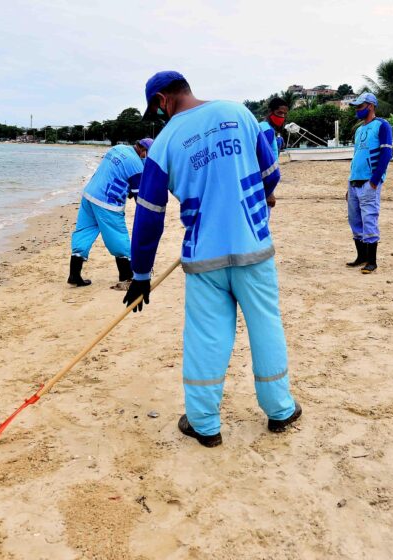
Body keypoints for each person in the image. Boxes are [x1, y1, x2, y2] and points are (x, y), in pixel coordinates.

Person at [124, 70, 300, 447]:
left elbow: (149, 215)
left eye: (156, 111)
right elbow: (271, 174)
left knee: (207, 337)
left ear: (161, 101)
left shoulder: (164, 142)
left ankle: (204, 424)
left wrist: (141, 273)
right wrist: (262, 195)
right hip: (254, 245)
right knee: (266, 326)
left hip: (204, 257)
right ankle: (280, 410)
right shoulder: (240, 114)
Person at [68, 138, 153, 289]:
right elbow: (139, 196)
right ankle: (126, 277)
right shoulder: (136, 165)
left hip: (89, 195)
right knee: (118, 237)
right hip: (108, 203)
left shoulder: (118, 148)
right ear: (143, 151)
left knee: (83, 232)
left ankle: (74, 274)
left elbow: (116, 172)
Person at [344, 92, 393, 273]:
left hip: (369, 181)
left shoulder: (382, 125)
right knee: (354, 220)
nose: (357, 110)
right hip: (354, 181)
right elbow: (356, 156)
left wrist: (375, 180)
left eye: (360, 106)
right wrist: (349, 183)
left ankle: (372, 261)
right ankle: (361, 257)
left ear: (370, 106)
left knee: (369, 219)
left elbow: (387, 153)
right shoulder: (359, 130)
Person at [258, 97, 289, 209]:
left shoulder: (264, 127)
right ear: (270, 112)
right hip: (264, 189)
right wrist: (269, 192)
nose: (282, 117)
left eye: (284, 114)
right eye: (279, 113)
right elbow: (262, 162)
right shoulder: (268, 131)